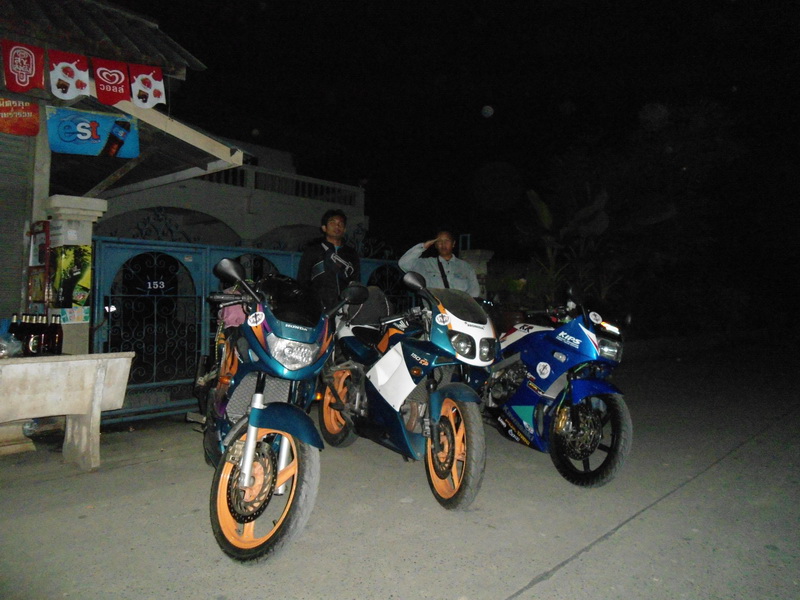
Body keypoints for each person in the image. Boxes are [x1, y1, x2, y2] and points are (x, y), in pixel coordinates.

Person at [297, 209, 361, 308]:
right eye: (332, 223)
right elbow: (303, 280)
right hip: (319, 307)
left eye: (340, 224)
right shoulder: (313, 251)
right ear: (324, 228)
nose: (337, 226)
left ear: (344, 229)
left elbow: (356, 281)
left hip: (345, 306)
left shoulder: (351, 254)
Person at [398, 227, 481, 297]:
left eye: (446, 241)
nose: (443, 244)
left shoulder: (466, 267)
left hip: (458, 309)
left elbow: (475, 292)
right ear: (435, 245)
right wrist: (423, 246)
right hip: (435, 309)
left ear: (453, 243)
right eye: (439, 241)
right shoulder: (425, 264)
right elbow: (403, 263)